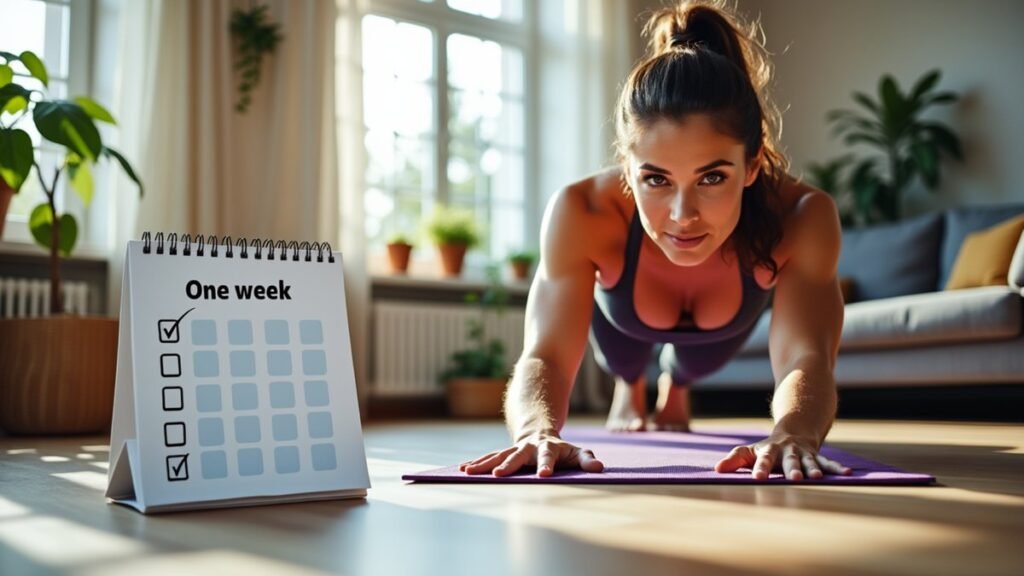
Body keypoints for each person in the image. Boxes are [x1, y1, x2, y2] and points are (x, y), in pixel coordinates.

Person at [460, 0, 851, 481]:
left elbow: (804, 354)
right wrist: (535, 431)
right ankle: (631, 384)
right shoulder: (583, 211)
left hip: (718, 333)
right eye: (656, 180)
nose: (683, 217)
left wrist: (794, 430)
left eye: (711, 178)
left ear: (750, 167)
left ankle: (675, 385)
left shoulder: (801, 216)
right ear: (627, 170)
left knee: (693, 363)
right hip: (623, 321)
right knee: (623, 356)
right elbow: (547, 353)